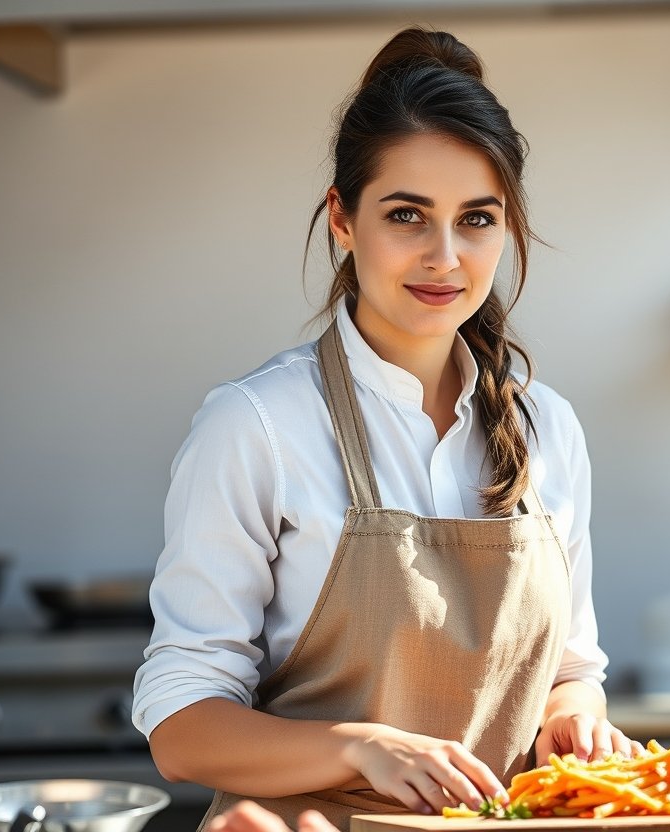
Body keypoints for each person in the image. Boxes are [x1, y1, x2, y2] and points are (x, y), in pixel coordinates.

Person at [131, 26, 635, 832]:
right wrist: (361, 747)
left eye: (477, 220)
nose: (445, 256)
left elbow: (572, 667)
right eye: (407, 215)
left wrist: (574, 716)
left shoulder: (547, 428)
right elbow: (181, 727)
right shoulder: (257, 425)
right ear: (342, 218)